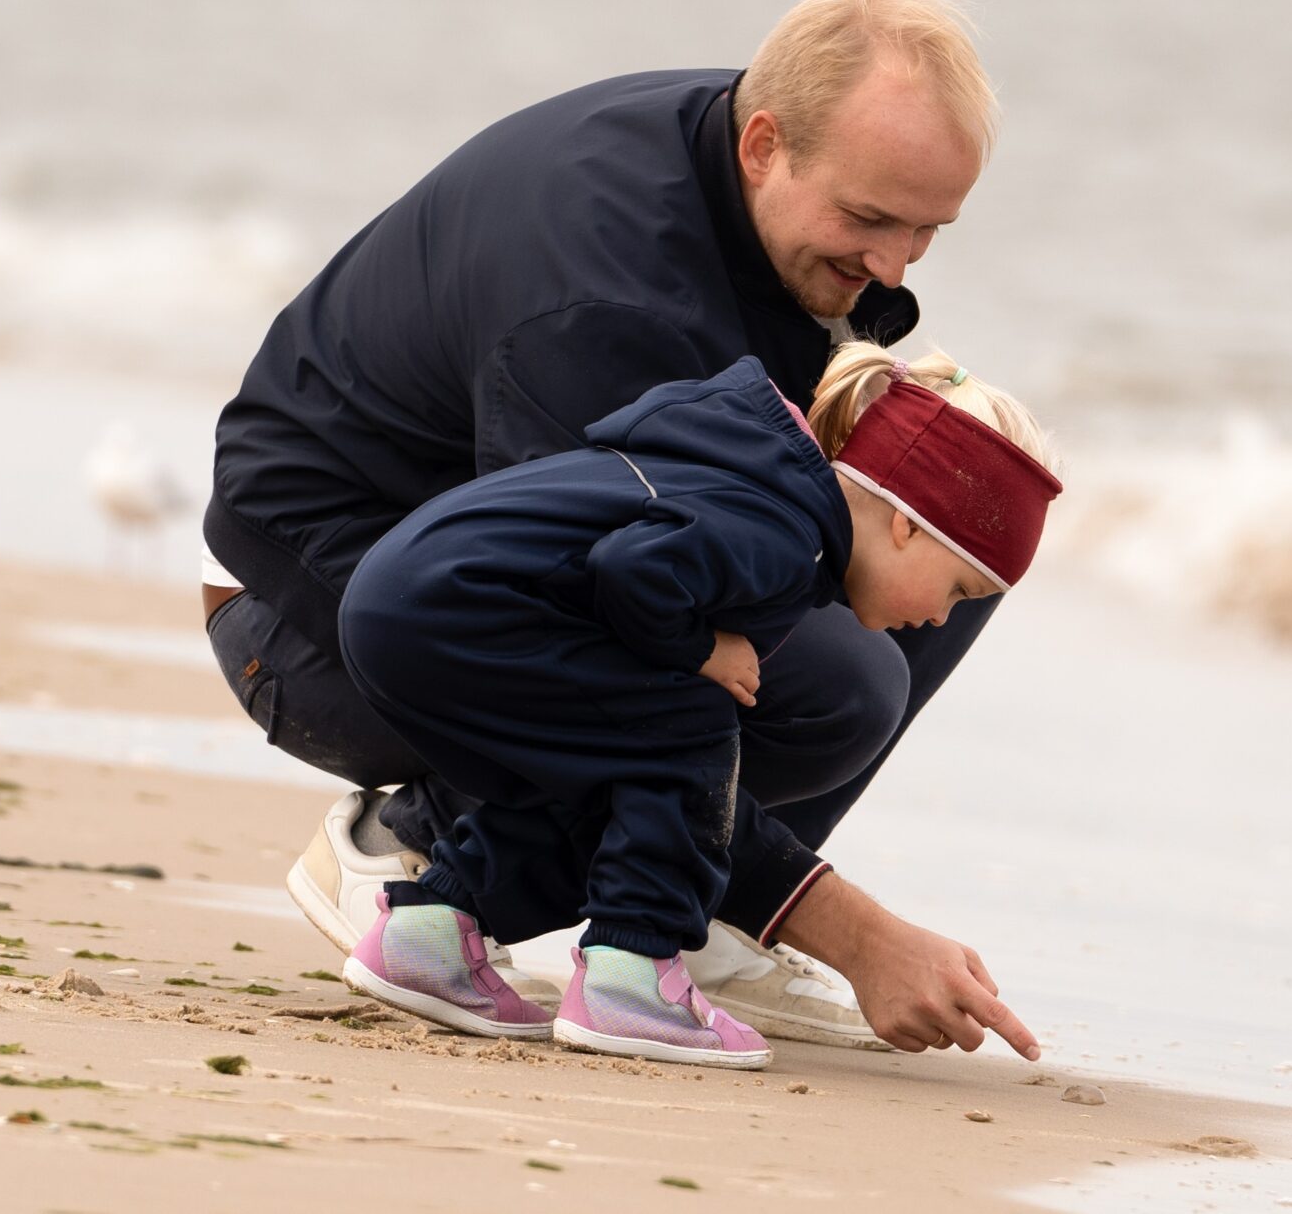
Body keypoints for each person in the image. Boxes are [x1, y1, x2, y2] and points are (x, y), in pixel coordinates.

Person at [201, 0, 1028, 1052]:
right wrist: (853, 932)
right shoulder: (609, 303)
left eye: (927, 230)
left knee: (947, 534)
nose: (894, 267)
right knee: (824, 687)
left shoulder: (746, 159)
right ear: (765, 144)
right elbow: (595, 640)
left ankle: (696, 918)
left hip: (487, 564)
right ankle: (416, 850)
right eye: (869, 220)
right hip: (315, 616)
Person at [335, 347, 1061, 1066]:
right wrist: (698, 647)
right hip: (458, 612)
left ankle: (430, 931)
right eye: (960, 589)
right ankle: (634, 971)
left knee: (609, 774)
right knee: (693, 734)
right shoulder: (785, 534)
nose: (942, 618)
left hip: (409, 601)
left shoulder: (760, 479)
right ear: (906, 523)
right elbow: (633, 566)